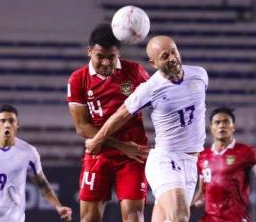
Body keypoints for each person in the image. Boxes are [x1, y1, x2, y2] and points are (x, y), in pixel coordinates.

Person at [86, 35, 208, 222]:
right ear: (154, 63)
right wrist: (98, 140)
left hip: (191, 163)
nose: (172, 58)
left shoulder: (199, 75)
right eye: (164, 56)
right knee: (180, 217)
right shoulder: (150, 88)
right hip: (166, 159)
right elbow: (119, 116)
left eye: (173, 52)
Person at [67, 23, 150, 222]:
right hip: (99, 153)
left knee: (133, 216)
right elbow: (82, 127)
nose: (106, 63)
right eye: (100, 57)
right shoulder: (78, 80)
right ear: (89, 52)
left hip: (133, 156)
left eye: (111, 57)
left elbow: (157, 99)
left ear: (118, 54)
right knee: (89, 218)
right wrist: (121, 146)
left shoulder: (135, 72)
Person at [0, 104, 72, 222]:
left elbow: (43, 185)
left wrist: (58, 206)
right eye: (2, 121)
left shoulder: (28, 152)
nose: (7, 124)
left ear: (17, 124)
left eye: (11, 121)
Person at [191, 106, 256, 222]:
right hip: (209, 219)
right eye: (217, 122)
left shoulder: (246, 152)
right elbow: (203, 191)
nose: (221, 125)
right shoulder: (203, 156)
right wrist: (191, 206)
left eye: (226, 122)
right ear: (211, 127)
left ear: (233, 127)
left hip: (237, 218)